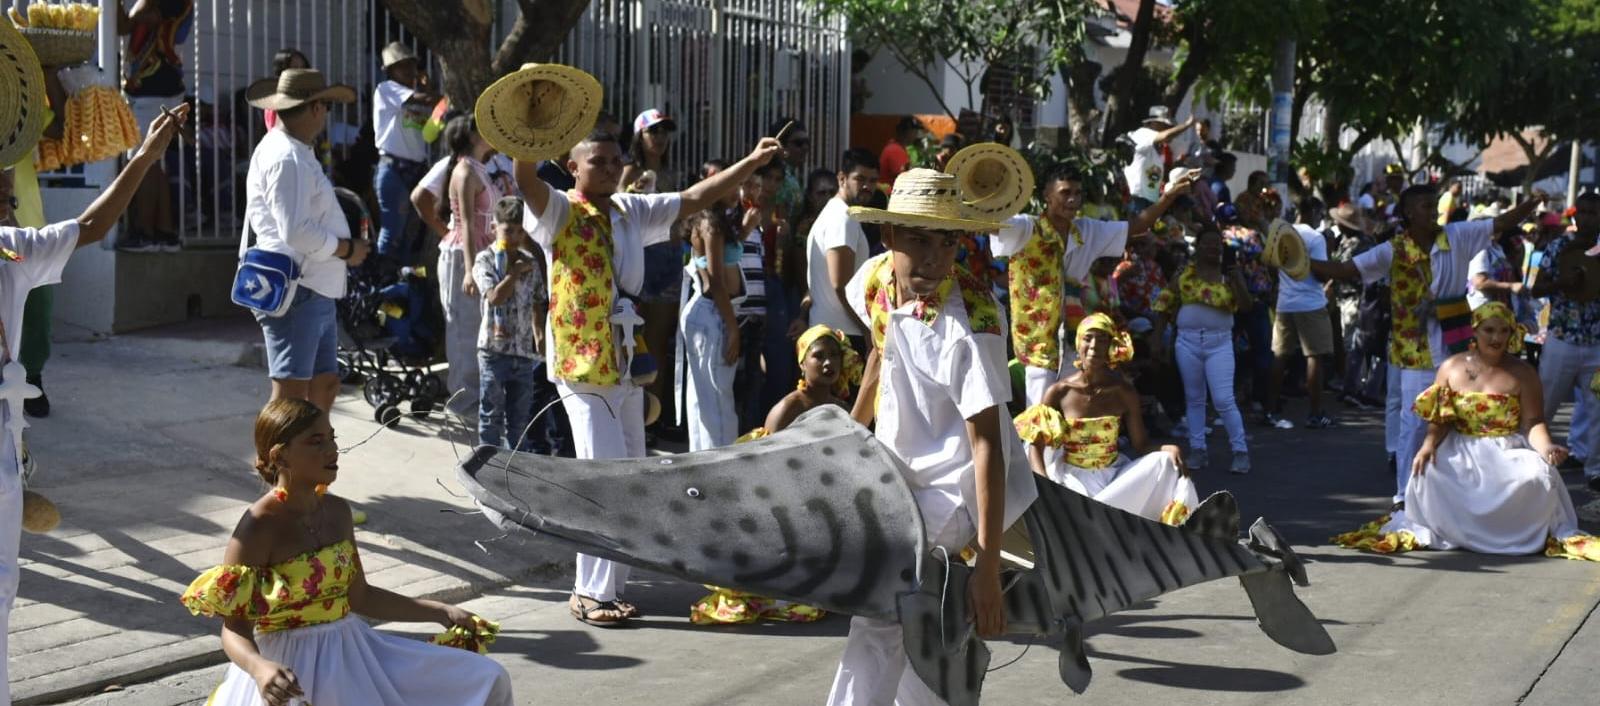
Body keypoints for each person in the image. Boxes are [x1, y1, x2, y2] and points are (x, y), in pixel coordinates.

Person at [514, 110, 783, 627]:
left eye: (617, 159)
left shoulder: (629, 211)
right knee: (601, 473)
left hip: (624, 360)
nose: (611, 167)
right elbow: (525, 178)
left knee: (630, 469)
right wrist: (532, 123)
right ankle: (588, 591)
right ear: (573, 167)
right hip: (580, 361)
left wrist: (751, 161)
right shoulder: (557, 212)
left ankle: (611, 585)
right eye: (599, 161)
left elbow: (695, 199)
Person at [0, 81, 187, 704]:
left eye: (10, 199)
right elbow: (92, 223)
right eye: (3, 199)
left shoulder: (14, 253)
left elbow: (91, 224)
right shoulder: (14, 252)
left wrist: (144, 157)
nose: (12, 209)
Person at [829, 168, 1037, 705]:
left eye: (946, 242)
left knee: (883, 616)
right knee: (913, 623)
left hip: (957, 489)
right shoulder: (873, 279)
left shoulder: (972, 325)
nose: (933, 258)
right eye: (918, 239)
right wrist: (847, 436)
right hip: (898, 474)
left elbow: (986, 443)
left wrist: (988, 567)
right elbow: (880, 350)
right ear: (889, 237)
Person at [180, 399, 514, 706]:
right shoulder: (257, 526)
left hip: (352, 654)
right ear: (280, 456)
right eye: (316, 441)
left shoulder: (338, 512)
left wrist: (440, 611)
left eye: (332, 438)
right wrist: (260, 669)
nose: (333, 449)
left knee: (486, 677)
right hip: (287, 671)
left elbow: (360, 596)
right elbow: (235, 628)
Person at [1311, 184, 1545, 507]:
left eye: (1434, 203)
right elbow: (1347, 270)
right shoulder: (1392, 249)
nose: (1433, 209)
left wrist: (1531, 203)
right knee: (1415, 425)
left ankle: (1450, 496)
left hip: (1457, 347)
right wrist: (1300, 263)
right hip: (1413, 352)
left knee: (1459, 420)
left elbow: (1500, 223)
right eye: (1425, 205)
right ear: (1408, 212)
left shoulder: (1458, 235)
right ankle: (1405, 497)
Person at [1334, 303, 1600, 561]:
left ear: (1511, 333)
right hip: (1460, 448)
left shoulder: (1524, 373)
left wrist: (1546, 448)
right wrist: (1428, 445)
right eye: (1489, 330)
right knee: (1428, 473)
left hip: (1507, 450)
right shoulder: (1451, 367)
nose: (1496, 338)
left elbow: (1533, 423)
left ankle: (1511, 536)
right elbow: (1441, 419)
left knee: (1538, 476)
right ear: (1475, 331)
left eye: (1503, 331)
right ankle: (1455, 531)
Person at [688, 325, 861, 625]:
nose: (828, 363)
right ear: (802, 363)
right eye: (819, 356)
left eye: (834, 355)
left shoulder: (841, 408)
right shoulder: (789, 408)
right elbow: (765, 469)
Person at [995, 162, 1201, 407]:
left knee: (1071, 418)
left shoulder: (1087, 229)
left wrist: (1169, 195)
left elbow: (1137, 227)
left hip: (1074, 341)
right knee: (1040, 420)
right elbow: (989, 223)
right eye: (1065, 193)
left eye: (1078, 193)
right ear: (1047, 196)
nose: (1073, 199)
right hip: (1037, 344)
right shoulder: (1025, 227)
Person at [243, 70, 371, 412]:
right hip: (299, 286)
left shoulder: (292, 151)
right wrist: (346, 250)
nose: (327, 114)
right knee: (290, 395)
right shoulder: (287, 157)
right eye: (326, 106)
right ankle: (275, 465)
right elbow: (296, 231)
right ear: (315, 109)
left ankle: (308, 458)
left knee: (323, 384)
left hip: (311, 285)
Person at [1016, 314, 1197, 524]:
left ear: (1112, 347)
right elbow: (1035, 447)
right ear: (1078, 343)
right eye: (1088, 338)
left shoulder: (1124, 392)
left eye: (1102, 340)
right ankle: (1097, 523)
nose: (1094, 346)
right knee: (1081, 510)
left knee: (1165, 462)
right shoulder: (1059, 392)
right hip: (1072, 481)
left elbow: (1141, 444)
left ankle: (1104, 523)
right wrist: (1044, 484)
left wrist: (1168, 449)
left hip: (1113, 479)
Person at [1150, 226, 1253, 473]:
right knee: (1194, 398)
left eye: (1217, 243)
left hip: (1220, 343)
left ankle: (1240, 452)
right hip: (1188, 342)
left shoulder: (1229, 275)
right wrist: (1156, 337)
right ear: (1199, 245)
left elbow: (1247, 307)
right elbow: (1166, 302)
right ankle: (1198, 450)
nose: (1212, 247)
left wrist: (1238, 280)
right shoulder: (1185, 273)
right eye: (1207, 242)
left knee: (1223, 399)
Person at [1528, 193, 1600, 491]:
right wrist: (1561, 283)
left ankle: (1595, 470)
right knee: (1544, 404)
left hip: (1597, 345)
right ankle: (1530, 462)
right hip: (1561, 341)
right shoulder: (1558, 246)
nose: (1584, 218)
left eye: (1592, 213)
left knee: (1598, 409)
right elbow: (1535, 289)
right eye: (1580, 212)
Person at [116, 0, 194, 253]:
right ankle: (165, 233)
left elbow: (125, 23)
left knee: (142, 160)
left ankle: (145, 233)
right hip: (161, 88)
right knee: (153, 161)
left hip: (154, 89)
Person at [677, 160, 744, 451]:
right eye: (731, 183)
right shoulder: (711, 224)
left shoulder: (708, 220)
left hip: (707, 312)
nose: (737, 190)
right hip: (713, 313)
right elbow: (717, 281)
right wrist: (732, 328)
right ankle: (718, 462)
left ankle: (704, 458)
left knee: (703, 394)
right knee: (716, 397)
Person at [436, 115, 500, 416]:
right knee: (464, 331)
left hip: (480, 255)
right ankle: (463, 402)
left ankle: (476, 400)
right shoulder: (464, 171)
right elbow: (467, 224)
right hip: (463, 257)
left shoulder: (481, 168)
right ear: (473, 135)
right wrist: (472, 268)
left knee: (478, 331)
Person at [472, 197, 545, 450]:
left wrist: (539, 335)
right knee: (491, 416)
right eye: (508, 230)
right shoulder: (485, 260)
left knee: (519, 422)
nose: (514, 237)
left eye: (520, 231)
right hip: (494, 351)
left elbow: (538, 300)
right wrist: (513, 273)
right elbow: (494, 297)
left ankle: (515, 473)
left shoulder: (530, 262)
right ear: (494, 228)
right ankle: (486, 470)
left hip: (523, 352)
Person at [800, 148, 878, 355]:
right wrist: (865, 329)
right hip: (842, 337)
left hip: (833, 333)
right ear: (842, 178)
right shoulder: (842, 219)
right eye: (860, 179)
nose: (867, 187)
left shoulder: (838, 214)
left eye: (872, 181)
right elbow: (841, 285)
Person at [1268, 206, 1337, 429]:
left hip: (1285, 304)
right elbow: (1321, 274)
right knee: (1315, 356)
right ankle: (1315, 413)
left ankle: (1271, 409)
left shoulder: (1281, 233)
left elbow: (1271, 267)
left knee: (1280, 356)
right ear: (1314, 214)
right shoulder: (1315, 237)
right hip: (1310, 303)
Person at [372, 42, 438, 265]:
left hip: (415, 169)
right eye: (404, 67)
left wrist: (428, 90)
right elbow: (426, 101)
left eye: (413, 66)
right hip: (394, 169)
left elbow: (430, 129)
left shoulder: (416, 95)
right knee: (392, 232)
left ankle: (402, 288)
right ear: (390, 71)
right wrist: (437, 97)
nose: (411, 71)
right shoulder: (387, 89)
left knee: (410, 234)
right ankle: (381, 284)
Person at [1226, 189, 1282, 426]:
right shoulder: (1248, 235)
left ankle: (1243, 401)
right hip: (1248, 300)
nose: (1256, 212)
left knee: (1243, 353)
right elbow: (1273, 258)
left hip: (1244, 300)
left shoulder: (1236, 233)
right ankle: (1254, 402)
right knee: (1258, 353)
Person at [1121, 107, 1196, 212]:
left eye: (1169, 126)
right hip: (1137, 196)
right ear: (1152, 123)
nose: (1168, 128)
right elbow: (1165, 136)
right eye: (1164, 125)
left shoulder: (1158, 146)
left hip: (1150, 198)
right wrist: (1188, 124)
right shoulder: (1143, 133)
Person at [260, 48, 310, 132]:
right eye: (294, 68)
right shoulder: (275, 99)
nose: (300, 72)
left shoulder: (306, 95)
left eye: (302, 68)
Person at [877, 116, 922, 192]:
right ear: (905, 132)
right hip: (890, 195)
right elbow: (906, 176)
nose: (916, 134)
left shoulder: (896, 147)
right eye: (914, 131)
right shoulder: (895, 150)